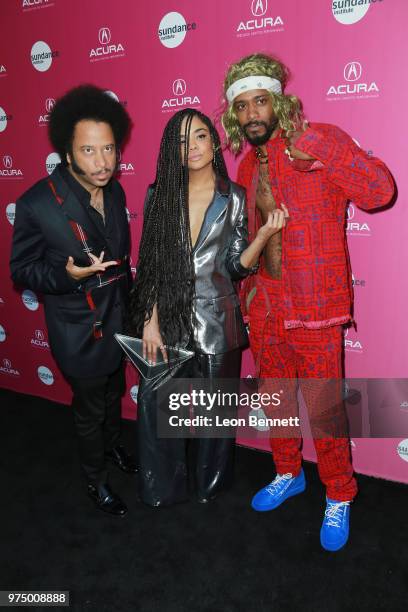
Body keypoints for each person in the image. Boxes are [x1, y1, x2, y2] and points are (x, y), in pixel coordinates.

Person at [221, 53, 395, 551]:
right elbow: (252, 236)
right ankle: (288, 472)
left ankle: (339, 493)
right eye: (241, 106)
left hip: (315, 307)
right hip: (266, 304)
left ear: (278, 100)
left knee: (325, 410)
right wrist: (250, 290)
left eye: (260, 100)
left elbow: (380, 191)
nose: (252, 113)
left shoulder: (318, 139)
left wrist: (322, 149)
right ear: (234, 115)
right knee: (277, 401)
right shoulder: (244, 163)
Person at [127, 108, 287, 507]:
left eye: (199, 136)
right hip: (169, 319)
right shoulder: (157, 193)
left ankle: (210, 487)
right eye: (181, 140)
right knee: (156, 406)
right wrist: (150, 321)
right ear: (172, 150)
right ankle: (161, 489)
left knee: (216, 418)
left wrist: (265, 233)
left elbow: (235, 265)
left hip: (218, 321)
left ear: (214, 142)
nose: (192, 147)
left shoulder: (234, 197)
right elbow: (151, 265)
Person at [10, 85, 137, 517]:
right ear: (67, 154)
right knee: (89, 410)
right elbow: (21, 270)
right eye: (89, 151)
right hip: (78, 328)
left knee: (115, 391)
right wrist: (64, 277)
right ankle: (95, 479)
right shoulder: (36, 204)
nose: (103, 162)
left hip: (118, 318)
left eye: (109, 149)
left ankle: (115, 446)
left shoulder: (116, 192)